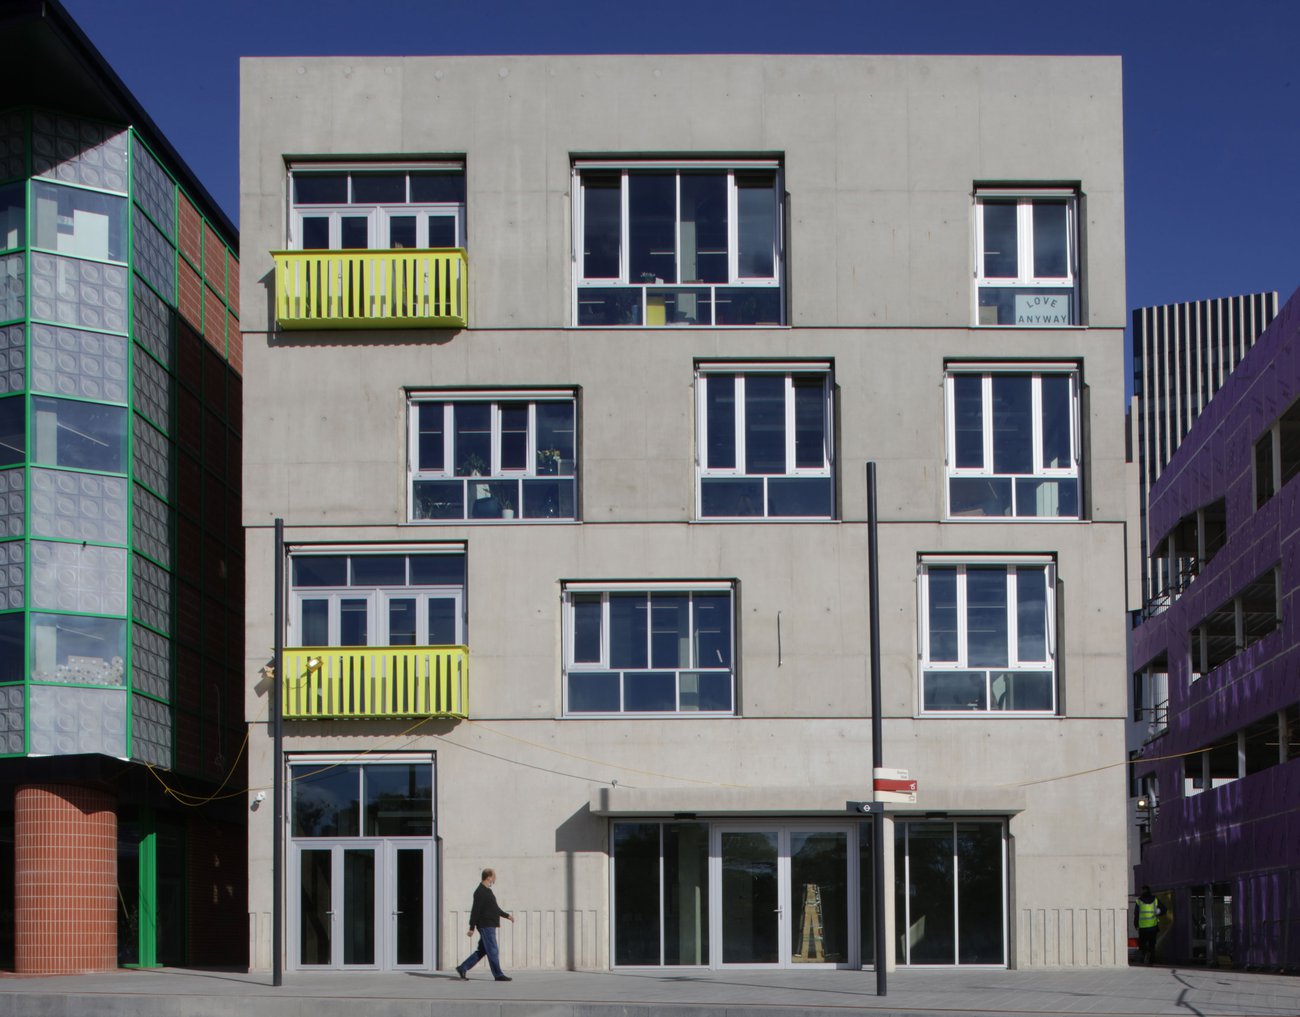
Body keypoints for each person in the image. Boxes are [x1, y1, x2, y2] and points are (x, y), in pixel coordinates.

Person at [455, 867, 515, 981]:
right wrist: (471, 927)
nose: (495, 878)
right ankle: (498, 974)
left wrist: (507, 916)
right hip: (485, 925)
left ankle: (463, 967)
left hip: (490, 924)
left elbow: (495, 908)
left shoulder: (488, 891)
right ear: (489, 877)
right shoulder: (480, 892)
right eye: (494, 876)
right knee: (493, 949)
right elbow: (475, 910)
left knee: (483, 950)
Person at [1134, 885, 1164, 965]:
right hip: (1153, 927)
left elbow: (1136, 914)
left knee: (1142, 945)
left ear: (1143, 890)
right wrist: (1159, 911)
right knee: (1152, 945)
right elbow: (1164, 909)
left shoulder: (1139, 901)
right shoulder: (1155, 900)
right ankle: (1152, 961)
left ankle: (1142, 960)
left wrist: (1136, 924)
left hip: (1143, 928)